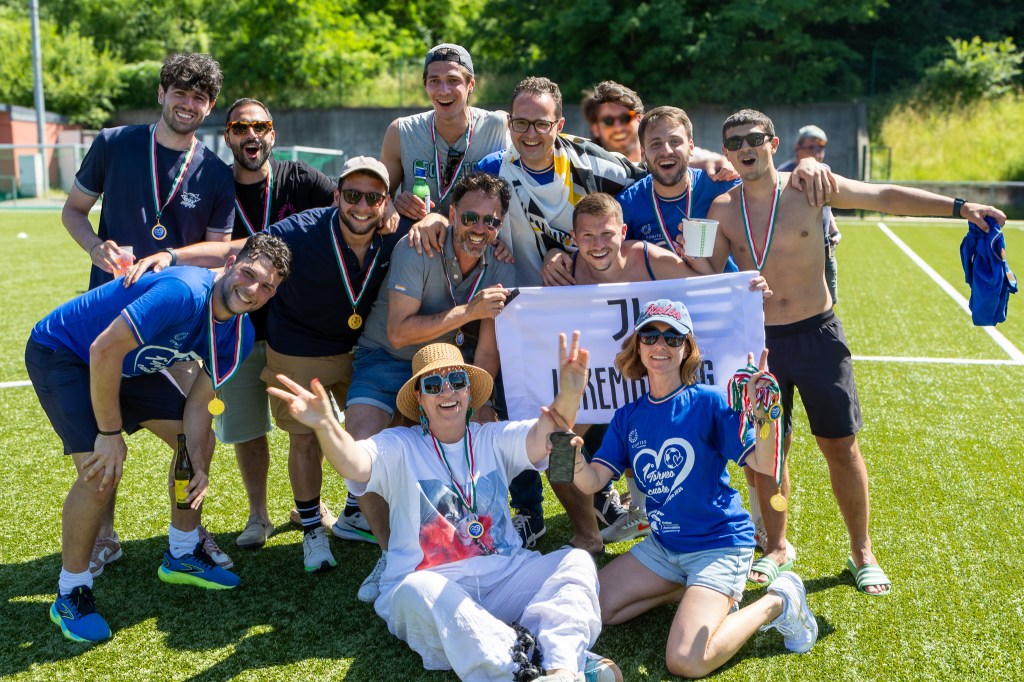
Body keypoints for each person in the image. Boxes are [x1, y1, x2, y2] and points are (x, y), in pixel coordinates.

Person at [706, 109, 1007, 593]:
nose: (746, 147)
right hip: (761, 348)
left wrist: (960, 208)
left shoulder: (811, 188)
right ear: (726, 151)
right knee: (767, 453)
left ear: (774, 143)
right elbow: (702, 271)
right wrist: (730, 283)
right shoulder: (722, 209)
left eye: (754, 138)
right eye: (735, 141)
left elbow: (883, 196)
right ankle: (776, 547)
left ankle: (861, 551)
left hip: (819, 339)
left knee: (840, 448)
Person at [268, 334, 621, 682]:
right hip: (434, 587)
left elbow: (547, 434)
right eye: (433, 384)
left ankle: (559, 670)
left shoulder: (490, 437)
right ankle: (530, 669)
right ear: (419, 399)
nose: (447, 390)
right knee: (417, 590)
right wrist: (326, 425)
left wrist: (571, 392)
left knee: (574, 562)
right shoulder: (398, 445)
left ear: (469, 392)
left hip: (505, 575)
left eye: (456, 380)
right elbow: (354, 464)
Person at [128, 156, 402, 573]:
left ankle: (352, 512)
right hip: (299, 349)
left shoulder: (394, 234)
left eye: (373, 197)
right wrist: (171, 254)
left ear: (385, 201)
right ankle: (312, 529)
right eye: (352, 195)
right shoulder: (303, 229)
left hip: (361, 348)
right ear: (336, 196)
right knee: (306, 438)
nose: (361, 206)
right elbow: (235, 249)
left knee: (372, 437)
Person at [27, 233, 291, 643]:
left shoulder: (237, 335)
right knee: (102, 471)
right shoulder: (183, 291)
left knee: (197, 442)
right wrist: (110, 434)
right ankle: (70, 592)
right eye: (249, 273)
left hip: (127, 364)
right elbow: (102, 351)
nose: (253, 290)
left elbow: (201, 405)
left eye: (268, 287)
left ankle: (183, 552)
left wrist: (199, 463)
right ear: (232, 260)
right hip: (67, 354)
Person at [570, 299, 818, 678]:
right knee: (594, 610)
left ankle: (779, 601)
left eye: (673, 338)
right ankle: (686, 589)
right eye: (650, 335)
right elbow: (590, 482)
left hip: (718, 545)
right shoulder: (627, 417)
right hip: (665, 547)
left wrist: (766, 413)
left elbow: (763, 464)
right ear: (638, 345)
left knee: (685, 660)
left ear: (687, 348)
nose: (661, 345)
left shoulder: (710, 401)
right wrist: (562, 439)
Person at [60, 51, 236, 576]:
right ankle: (103, 538)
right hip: (108, 325)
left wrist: (171, 258)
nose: (188, 104)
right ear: (162, 93)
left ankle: (187, 534)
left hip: (174, 332)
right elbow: (73, 210)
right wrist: (95, 248)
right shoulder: (115, 144)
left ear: (208, 106)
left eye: (200, 97)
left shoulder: (216, 172)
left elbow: (220, 253)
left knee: (193, 436)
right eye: (180, 92)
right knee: (101, 446)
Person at [559, 194, 770, 552]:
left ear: (623, 232)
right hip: (606, 376)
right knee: (558, 452)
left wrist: (743, 290)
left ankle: (759, 527)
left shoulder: (647, 256)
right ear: (574, 238)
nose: (597, 245)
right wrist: (560, 438)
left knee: (708, 434)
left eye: (607, 235)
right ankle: (587, 535)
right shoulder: (566, 271)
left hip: (659, 372)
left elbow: (703, 284)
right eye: (587, 237)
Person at [345, 172, 516, 602]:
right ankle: (390, 550)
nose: (480, 229)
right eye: (471, 217)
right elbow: (399, 334)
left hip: (444, 369)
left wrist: (481, 404)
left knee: (473, 441)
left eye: (491, 222)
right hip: (387, 358)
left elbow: (489, 351)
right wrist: (468, 311)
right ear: (452, 213)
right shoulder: (417, 244)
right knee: (358, 445)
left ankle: (471, 538)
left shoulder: (500, 260)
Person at [219, 97, 337, 549]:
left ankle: (310, 503)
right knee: (248, 429)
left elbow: (351, 208)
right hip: (237, 329)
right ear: (229, 135)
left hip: (298, 332)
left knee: (306, 426)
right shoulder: (214, 185)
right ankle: (258, 515)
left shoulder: (299, 178)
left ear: (273, 134)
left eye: (261, 126)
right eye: (241, 127)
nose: (252, 135)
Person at [381, 43, 509, 224]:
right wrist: (394, 205)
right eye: (434, 81)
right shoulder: (402, 132)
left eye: (453, 80)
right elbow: (377, 197)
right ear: (425, 84)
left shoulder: (498, 128)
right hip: (418, 242)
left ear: (470, 84)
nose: (444, 91)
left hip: (478, 240)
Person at [581, 81, 728, 172]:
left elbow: (722, 162)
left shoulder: (674, 150)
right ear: (595, 128)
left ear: (639, 120)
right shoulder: (590, 168)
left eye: (625, 118)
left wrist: (721, 166)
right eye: (608, 121)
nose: (618, 127)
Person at [778, 125, 841, 305]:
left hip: (823, 248)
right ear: (797, 148)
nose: (817, 152)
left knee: (828, 302)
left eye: (821, 147)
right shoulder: (784, 173)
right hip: (792, 252)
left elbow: (825, 207)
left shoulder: (824, 171)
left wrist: (834, 231)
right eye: (811, 147)